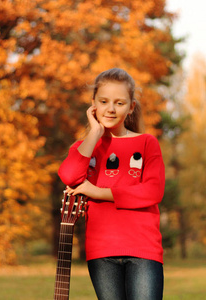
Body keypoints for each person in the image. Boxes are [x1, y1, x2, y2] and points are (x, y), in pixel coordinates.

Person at [58, 68, 165, 300]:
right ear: (93, 103)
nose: (111, 109)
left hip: (143, 249)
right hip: (101, 251)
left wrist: (95, 191)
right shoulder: (84, 147)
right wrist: (95, 132)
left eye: (119, 103)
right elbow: (69, 176)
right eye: (104, 101)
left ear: (131, 107)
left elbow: (152, 192)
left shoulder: (147, 143)